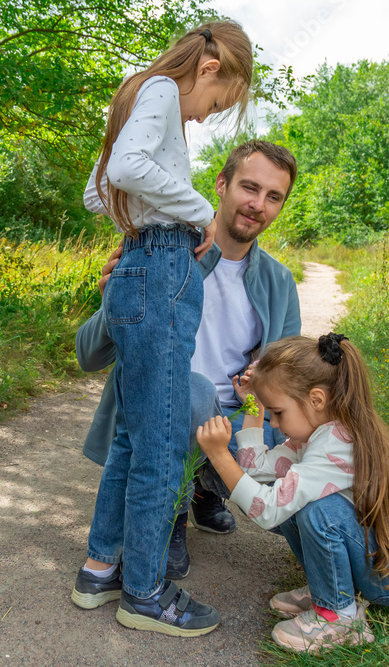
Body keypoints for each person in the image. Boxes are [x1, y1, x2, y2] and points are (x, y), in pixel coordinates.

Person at [69, 21, 255, 637]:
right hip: (162, 268)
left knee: (134, 434)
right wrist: (199, 209)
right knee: (161, 441)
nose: (204, 118)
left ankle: (102, 568)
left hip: (144, 265)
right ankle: (145, 591)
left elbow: (100, 193)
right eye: (217, 102)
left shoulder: (139, 95)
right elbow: (124, 168)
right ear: (209, 69)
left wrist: (143, 230)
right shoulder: (160, 94)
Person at [76, 139, 301, 585]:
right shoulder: (160, 255)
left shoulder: (278, 281)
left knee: (298, 447)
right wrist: (118, 300)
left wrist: (264, 377)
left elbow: (291, 380)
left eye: (273, 197)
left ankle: (204, 488)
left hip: (235, 420)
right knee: (191, 388)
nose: (258, 205)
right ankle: (174, 511)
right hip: (166, 414)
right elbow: (88, 355)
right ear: (220, 184)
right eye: (249, 187)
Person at [196, 333, 389, 653]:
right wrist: (253, 403)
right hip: (383, 560)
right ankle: (329, 589)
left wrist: (219, 455)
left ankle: (337, 617)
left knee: (317, 510)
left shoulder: (336, 445)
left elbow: (267, 510)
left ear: (316, 399)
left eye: (279, 412)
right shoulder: (316, 434)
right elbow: (256, 468)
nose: (275, 422)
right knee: (294, 497)